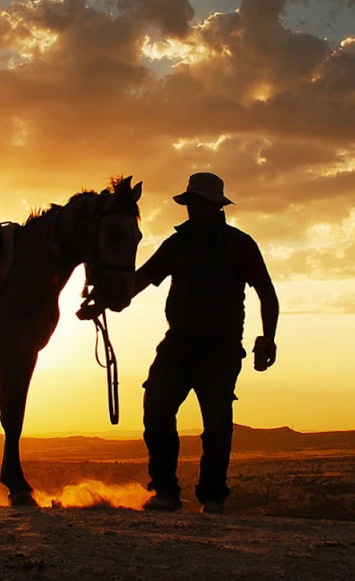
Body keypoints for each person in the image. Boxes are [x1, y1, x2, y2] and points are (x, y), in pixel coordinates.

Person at [86, 172, 279, 515]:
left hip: (220, 346)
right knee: (156, 409)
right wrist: (103, 301)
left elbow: (267, 293)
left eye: (197, 203)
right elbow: (143, 278)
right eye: (190, 203)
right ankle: (166, 491)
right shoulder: (177, 244)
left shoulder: (239, 244)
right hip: (178, 343)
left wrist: (268, 338)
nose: (192, 209)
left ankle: (212, 496)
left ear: (213, 206)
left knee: (216, 422)